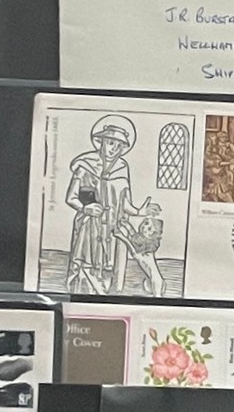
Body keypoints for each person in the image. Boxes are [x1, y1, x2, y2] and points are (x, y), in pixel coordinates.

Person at [65, 114, 163, 295]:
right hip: (90, 227)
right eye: (111, 143)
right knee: (86, 270)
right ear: (101, 142)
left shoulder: (122, 168)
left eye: (119, 146)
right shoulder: (85, 165)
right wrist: (86, 208)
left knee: (109, 276)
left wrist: (139, 211)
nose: (114, 149)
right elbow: (71, 197)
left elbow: (124, 204)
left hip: (112, 229)